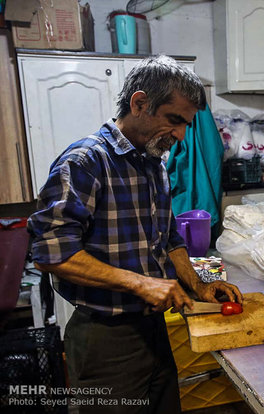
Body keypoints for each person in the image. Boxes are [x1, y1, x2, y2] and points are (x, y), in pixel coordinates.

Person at [27, 55, 243, 414]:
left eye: (187, 125)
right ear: (140, 103)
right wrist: (140, 283)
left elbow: (170, 238)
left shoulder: (152, 163)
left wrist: (198, 286)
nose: (181, 135)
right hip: (105, 339)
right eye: (175, 120)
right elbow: (52, 253)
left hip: (153, 329)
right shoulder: (85, 161)